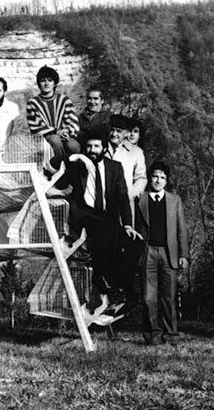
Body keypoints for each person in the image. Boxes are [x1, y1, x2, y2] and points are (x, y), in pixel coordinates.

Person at [50, 128, 143, 311]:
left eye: (96, 146)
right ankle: (103, 284)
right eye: (89, 147)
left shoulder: (115, 168)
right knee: (103, 233)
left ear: (104, 148)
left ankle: (117, 286)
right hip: (84, 216)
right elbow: (53, 163)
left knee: (135, 243)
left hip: (108, 218)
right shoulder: (78, 165)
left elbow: (123, 199)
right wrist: (75, 157)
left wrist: (127, 225)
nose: (92, 150)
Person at [136, 161, 189, 345]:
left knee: (169, 297)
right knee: (148, 297)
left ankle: (171, 335)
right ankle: (153, 336)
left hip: (169, 253)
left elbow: (181, 229)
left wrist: (183, 255)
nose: (158, 180)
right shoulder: (140, 199)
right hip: (147, 252)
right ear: (150, 178)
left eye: (162, 177)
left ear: (166, 181)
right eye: (155, 176)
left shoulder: (175, 200)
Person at [26, 65, 80, 156]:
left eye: (50, 80)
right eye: (43, 80)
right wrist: (55, 131)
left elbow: (72, 122)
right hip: (44, 138)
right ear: (39, 84)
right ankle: (58, 163)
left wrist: (66, 131)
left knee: (73, 145)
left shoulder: (64, 100)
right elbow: (36, 126)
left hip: (63, 135)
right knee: (55, 140)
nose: (46, 84)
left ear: (55, 83)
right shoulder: (33, 103)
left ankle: (74, 164)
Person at [105, 114, 147, 224]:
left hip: (124, 204)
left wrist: (133, 192)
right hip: (103, 202)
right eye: (112, 130)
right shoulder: (101, 148)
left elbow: (141, 178)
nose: (114, 134)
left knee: (125, 231)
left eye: (118, 131)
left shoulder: (136, 152)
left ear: (126, 133)